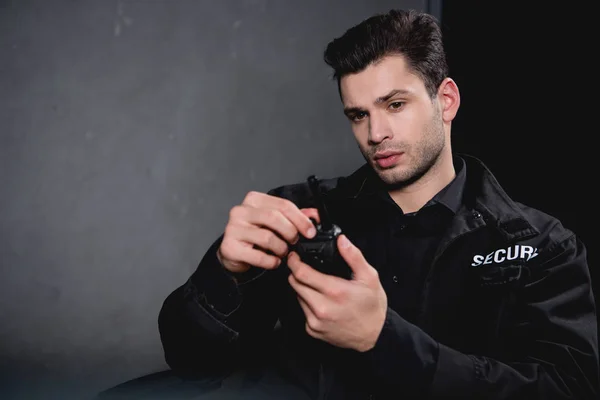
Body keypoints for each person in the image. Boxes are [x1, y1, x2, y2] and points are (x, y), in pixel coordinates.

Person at [157, 8, 599, 400]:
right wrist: (220, 272)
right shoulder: (299, 215)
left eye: (395, 104)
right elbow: (190, 362)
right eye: (358, 114)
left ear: (445, 101)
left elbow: (569, 388)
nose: (375, 133)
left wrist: (383, 340)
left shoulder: (541, 244)